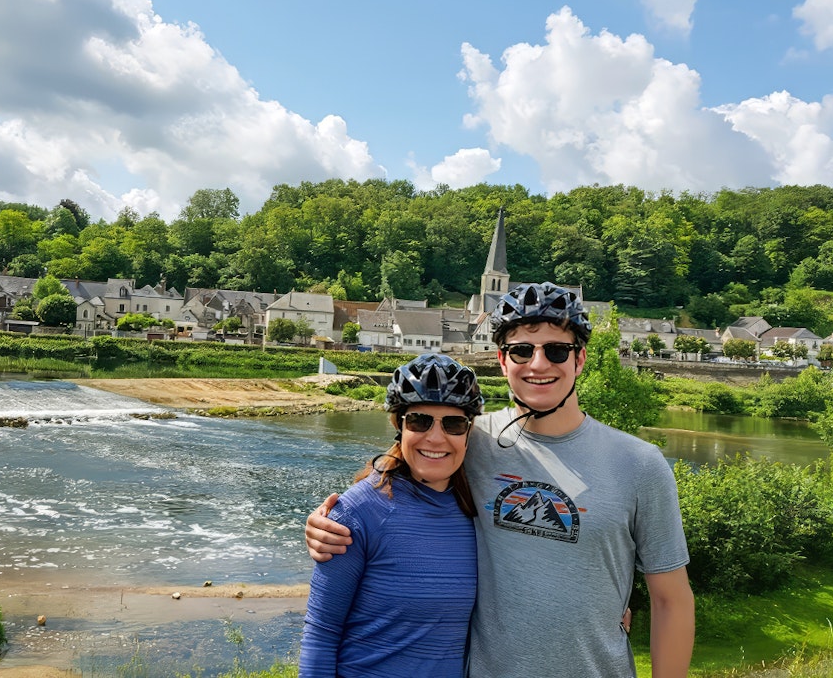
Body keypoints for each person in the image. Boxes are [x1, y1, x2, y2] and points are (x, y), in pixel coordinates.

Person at [307, 282, 695, 677]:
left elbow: (672, 602)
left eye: (556, 350)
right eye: (522, 350)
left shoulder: (639, 464)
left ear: (579, 360)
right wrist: (330, 522)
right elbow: (404, 466)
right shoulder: (469, 440)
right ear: (502, 360)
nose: (538, 364)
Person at [298, 353, 484, 677]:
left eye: (453, 423)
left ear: (469, 432)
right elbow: (321, 634)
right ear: (398, 425)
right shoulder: (356, 512)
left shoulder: (480, 510)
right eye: (419, 421)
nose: (436, 438)